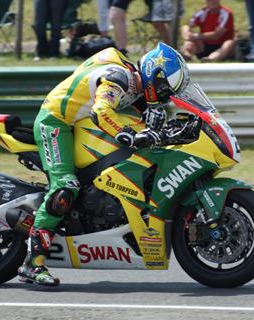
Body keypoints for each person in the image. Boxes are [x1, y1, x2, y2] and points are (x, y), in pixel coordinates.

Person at [17, 42, 190, 286]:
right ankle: (32, 263)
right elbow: (101, 111)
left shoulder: (135, 83)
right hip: (56, 122)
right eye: (165, 89)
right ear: (154, 76)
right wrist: (126, 134)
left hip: (79, 122)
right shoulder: (118, 78)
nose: (166, 95)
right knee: (65, 188)